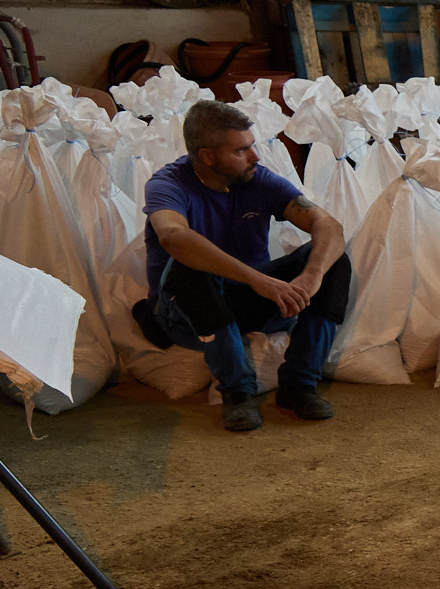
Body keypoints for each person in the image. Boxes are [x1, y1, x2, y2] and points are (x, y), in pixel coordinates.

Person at [135, 101, 351, 432]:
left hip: (246, 299)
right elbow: (173, 238)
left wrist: (312, 275)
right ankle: (237, 393)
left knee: (332, 259)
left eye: (252, 146)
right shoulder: (168, 184)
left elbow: (329, 225)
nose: (255, 157)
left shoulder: (257, 179)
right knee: (188, 267)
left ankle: (299, 385)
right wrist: (257, 279)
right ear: (207, 156)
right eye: (242, 150)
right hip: (186, 314)